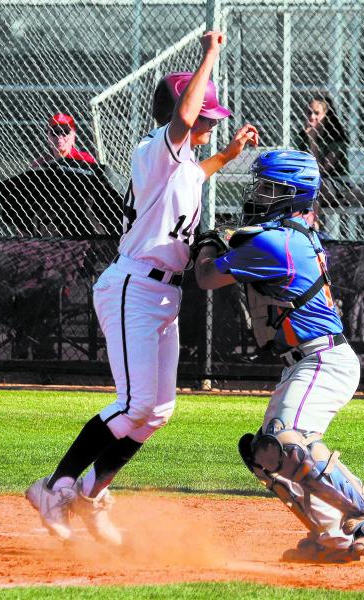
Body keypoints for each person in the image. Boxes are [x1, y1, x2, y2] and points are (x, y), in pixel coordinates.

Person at [25, 31, 259, 544]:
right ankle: (54, 486)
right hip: (133, 284)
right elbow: (181, 121)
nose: (209, 123)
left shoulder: (182, 169)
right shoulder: (156, 149)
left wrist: (231, 154)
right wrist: (210, 55)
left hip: (164, 293)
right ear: (182, 113)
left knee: (158, 409)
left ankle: (88, 494)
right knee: (133, 404)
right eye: (204, 116)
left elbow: (198, 173)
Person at [193, 148, 364, 563]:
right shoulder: (285, 235)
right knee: (265, 455)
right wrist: (227, 238)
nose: (259, 195)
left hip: (323, 359)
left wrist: (206, 242)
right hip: (306, 361)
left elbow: (206, 276)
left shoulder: (276, 242)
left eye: (269, 189)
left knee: (288, 443)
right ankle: (331, 539)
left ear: (293, 194)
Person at [297, 94, 349, 236]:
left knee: (317, 182)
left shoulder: (337, 137)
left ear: (327, 116)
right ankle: (308, 225)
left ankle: (313, 224)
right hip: (308, 183)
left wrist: (313, 141)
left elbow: (322, 170)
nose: (312, 117)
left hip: (335, 183)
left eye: (317, 113)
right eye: (309, 112)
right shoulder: (302, 136)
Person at [30, 113, 96, 169]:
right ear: (48, 137)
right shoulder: (40, 163)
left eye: (65, 132)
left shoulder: (85, 160)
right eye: (54, 132)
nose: (60, 137)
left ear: (73, 136)